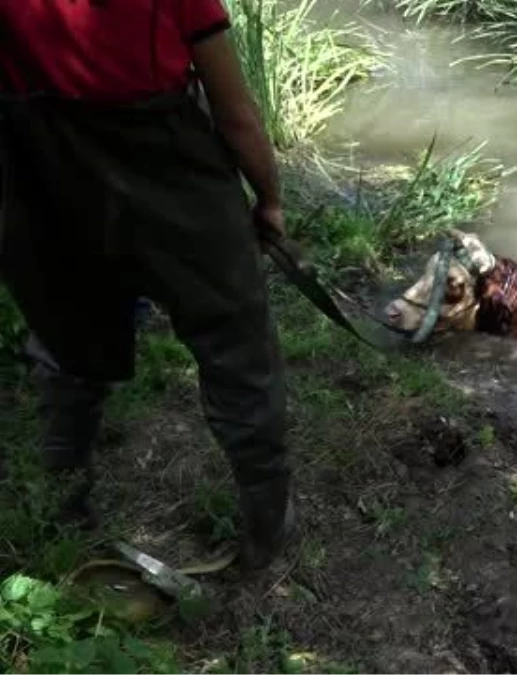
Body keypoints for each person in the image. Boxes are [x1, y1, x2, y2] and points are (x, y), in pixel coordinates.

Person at [0, 0, 297, 571]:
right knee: (237, 346)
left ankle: (65, 504)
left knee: (68, 338)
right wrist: (270, 199)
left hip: (49, 184)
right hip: (174, 180)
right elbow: (235, 115)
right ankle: (266, 524)